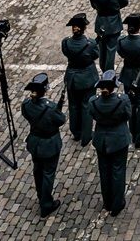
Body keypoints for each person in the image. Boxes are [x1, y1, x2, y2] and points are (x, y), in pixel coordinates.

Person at [20, 73, 65, 218]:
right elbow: (61, 120)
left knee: (38, 171)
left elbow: (27, 115)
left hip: (35, 142)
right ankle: (46, 204)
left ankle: (41, 195)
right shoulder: (50, 108)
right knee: (48, 174)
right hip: (49, 144)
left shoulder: (26, 104)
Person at [89, 69, 132, 216]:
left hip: (101, 139)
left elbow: (92, 114)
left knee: (104, 171)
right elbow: (128, 115)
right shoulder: (123, 100)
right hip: (118, 139)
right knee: (118, 171)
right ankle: (117, 203)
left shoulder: (93, 102)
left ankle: (107, 201)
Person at [116, 14, 140, 148]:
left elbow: (121, 53)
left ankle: (132, 131)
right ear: (139, 27)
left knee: (131, 104)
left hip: (128, 75)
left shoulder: (121, 41)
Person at [61, 14, 100, 146]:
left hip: (72, 78)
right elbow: (95, 55)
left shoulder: (66, 42)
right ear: (84, 28)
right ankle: (86, 135)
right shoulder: (90, 43)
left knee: (73, 106)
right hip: (88, 77)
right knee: (86, 106)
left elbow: (66, 52)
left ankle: (76, 132)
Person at [89, 0, 127, 72]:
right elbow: (125, 2)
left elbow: (93, 6)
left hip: (100, 23)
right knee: (111, 50)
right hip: (113, 24)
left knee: (102, 48)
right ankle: (108, 74)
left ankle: (103, 68)